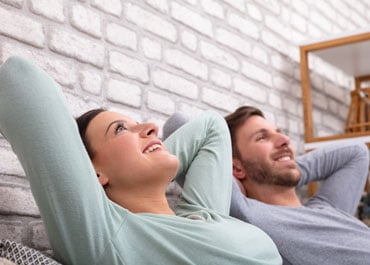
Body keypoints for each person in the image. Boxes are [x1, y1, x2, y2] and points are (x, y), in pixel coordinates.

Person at [0, 56, 282, 265]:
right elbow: (20, 81)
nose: (150, 126)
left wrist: (152, 156)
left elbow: (212, 127)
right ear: (94, 173)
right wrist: (146, 158)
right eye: (120, 129)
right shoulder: (109, 237)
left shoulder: (203, 213)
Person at [225, 105, 370, 265]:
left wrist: (285, 167)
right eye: (262, 138)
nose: (285, 140)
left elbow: (356, 152)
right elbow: (200, 139)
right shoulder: (251, 214)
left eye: (279, 132)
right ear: (235, 167)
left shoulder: (328, 208)